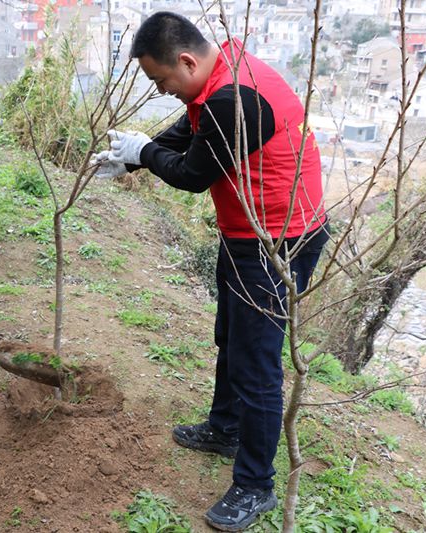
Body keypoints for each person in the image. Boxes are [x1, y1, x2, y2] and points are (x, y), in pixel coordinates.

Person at [92, 12, 328, 531]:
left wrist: (145, 153)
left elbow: (194, 173)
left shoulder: (234, 99)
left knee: (257, 363)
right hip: (252, 233)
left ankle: (255, 485)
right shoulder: (224, 69)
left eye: (162, 80)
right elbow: (189, 131)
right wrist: (133, 158)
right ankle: (225, 428)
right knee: (232, 337)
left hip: (277, 243)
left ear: (186, 60)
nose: (165, 90)